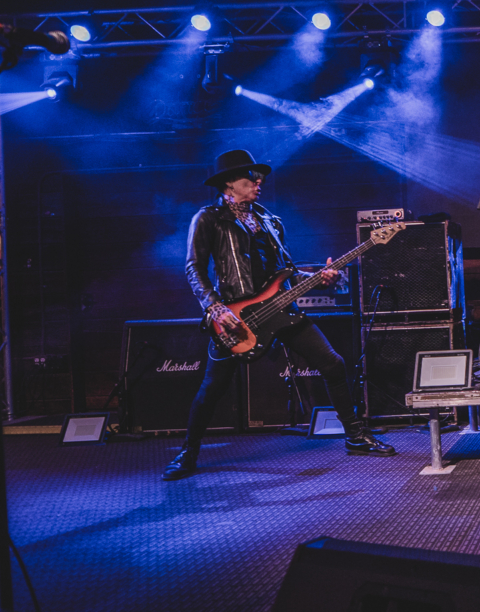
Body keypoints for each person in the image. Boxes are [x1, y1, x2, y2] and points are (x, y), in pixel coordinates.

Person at [164, 149, 395, 480]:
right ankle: (188, 453)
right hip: (236, 316)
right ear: (228, 185)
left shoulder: (271, 222)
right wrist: (215, 307)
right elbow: (193, 267)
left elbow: (284, 273)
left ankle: (356, 437)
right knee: (213, 388)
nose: (258, 182)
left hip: (282, 310)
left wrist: (322, 278)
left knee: (333, 363)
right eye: (250, 179)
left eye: (259, 178)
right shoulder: (208, 218)